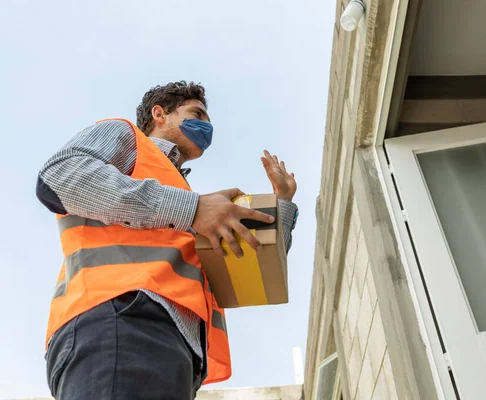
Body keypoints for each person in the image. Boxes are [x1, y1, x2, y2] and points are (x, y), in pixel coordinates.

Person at [36, 81, 299, 400]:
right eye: (196, 114)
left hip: (175, 348)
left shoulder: (184, 199)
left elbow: (254, 266)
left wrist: (282, 202)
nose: (206, 126)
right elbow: (61, 177)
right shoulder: (127, 138)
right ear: (159, 114)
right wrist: (194, 209)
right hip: (120, 318)